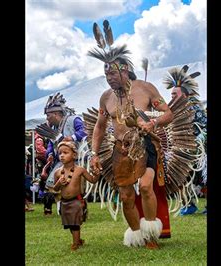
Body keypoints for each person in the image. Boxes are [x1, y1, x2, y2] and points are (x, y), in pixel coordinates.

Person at [87, 20, 174, 249]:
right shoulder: (106, 97)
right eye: (106, 74)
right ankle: (136, 235)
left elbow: (168, 113)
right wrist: (94, 154)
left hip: (145, 145)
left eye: (113, 73)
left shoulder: (145, 89)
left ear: (124, 69)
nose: (109, 77)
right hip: (120, 150)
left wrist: (153, 122)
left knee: (146, 186)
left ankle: (151, 237)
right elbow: (99, 126)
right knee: (126, 195)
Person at [167, 67, 207, 215]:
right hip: (183, 148)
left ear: (184, 94)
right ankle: (188, 204)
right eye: (170, 94)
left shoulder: (194, 107)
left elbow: (204, 127)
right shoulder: (173, 110)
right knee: (180, 175)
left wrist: (199, 141)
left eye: (174, 94)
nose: (171, 97)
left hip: (201, 149)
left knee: (205, 177)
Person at [40, 93, 87, 215]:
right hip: (61, 161)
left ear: (56, 114)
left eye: (48, 115)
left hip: (77, 159)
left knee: (74, 185)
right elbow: (51, 144)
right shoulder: (54, 129)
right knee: (55, 184)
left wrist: (71, 137)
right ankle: (63, 209)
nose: (47, 118)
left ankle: (79, 209)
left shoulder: (73, 119)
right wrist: (50, 153)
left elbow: (85, 130)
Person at [52, 141, 98, 251]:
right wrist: (59, 183)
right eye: (60, 153)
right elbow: (55, 189)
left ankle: (75, 244)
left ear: (74, 155)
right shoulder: (58, 172)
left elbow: (92, 180)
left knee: (75, 223)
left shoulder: (79, 170)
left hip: (77, 201)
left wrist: (96, 174)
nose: (62, 155)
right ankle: (78, 240)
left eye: (65, 152)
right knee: (69, 223)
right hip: (64, 202)